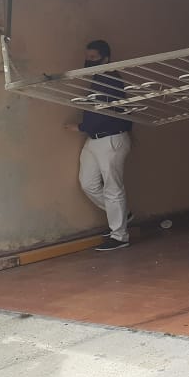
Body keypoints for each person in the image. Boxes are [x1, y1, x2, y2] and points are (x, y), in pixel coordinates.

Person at [65, 40, 133, 252]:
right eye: (88, 57)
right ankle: (123, 216)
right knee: (88, 183)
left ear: (106, 58)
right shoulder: (98, 77)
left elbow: (103, 112)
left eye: (93, 58)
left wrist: (81, 127)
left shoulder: (110, 79)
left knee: (113, 189)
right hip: (95, 140)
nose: (89, 61)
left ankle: (120, 236)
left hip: (111, 139)